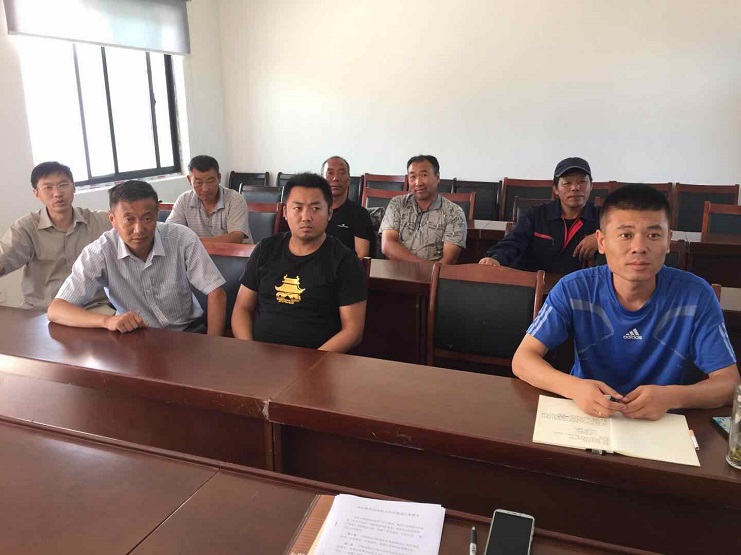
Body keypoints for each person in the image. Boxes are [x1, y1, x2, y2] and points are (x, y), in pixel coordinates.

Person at [513, 184, 739, 420]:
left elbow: (728, 383)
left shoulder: (696, 295)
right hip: (589, 417)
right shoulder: (573, 289)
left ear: (668, 241)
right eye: (625, 235)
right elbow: (523, 360)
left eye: (653, 235)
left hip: (662, 420)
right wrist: (574, 388)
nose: (639, 248)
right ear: (601, 242)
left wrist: (672, 397)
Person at [48, 180, 227, 335]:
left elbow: (216, 292)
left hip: (188, 332)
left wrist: (212, 346)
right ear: (112, 219)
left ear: (157, 214)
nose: (139, 229)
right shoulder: (100, 251)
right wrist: (107, 321)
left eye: (147, 219)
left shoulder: (181, 238)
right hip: (136, 338)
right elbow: (57, 309)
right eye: (129, 220)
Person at [231, 172, 367, 352]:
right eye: (297, 208)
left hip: (318, 362)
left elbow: (352, 331)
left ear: (329, 213)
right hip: (260, 358)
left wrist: (312, 363)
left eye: (315, 208)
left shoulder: (344, 260)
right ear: (285, 212)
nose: (306, 217)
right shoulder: (266, 249)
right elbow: (242, 309)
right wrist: (250, 351)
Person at [0, 161, 111, 310]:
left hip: (93, 308)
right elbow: (3, 259)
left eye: (63, 185)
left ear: (73, 187)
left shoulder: (100, 222)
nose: (57, 193)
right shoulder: (26, 228)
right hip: (42, 312)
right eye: (48, 187)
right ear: (36, 193)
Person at [479, 157, 599, 273]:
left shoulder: (601, 216)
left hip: (576, 285)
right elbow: (515, 240)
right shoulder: (536, 215)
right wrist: (496, 258)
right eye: (567, 183)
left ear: (591, 186)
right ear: (555, 189)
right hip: (533, 282)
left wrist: (601, 237)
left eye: (582, 182)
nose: (575, 188)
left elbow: (612, 232)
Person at [380, 154, 466, 263]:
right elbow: (387, 246)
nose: (418, 183)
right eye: (413, 177)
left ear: (437, 177)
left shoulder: (454, 212)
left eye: (424, 175)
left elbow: (449, 259)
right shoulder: (397, 203)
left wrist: (427, 271)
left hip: (434, 273)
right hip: (396, 270)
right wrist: (423, 265)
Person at [167, 155, 251, 243]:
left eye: (210, 181)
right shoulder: (184, 200)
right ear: (189, 180)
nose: (205, 189)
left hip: (233, 251)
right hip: (196, 251)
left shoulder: (234, 199)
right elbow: (170, 232)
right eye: (199, 182)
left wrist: (193, 243)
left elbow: (236, 237)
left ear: (219, 178)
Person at [322, 156, 374, 258]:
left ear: (349, 180)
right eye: (330, 173)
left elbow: (362, 255)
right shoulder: (312, 212)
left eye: (341, 173)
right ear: (321, 180)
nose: (336, 178)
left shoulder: (359, 214)